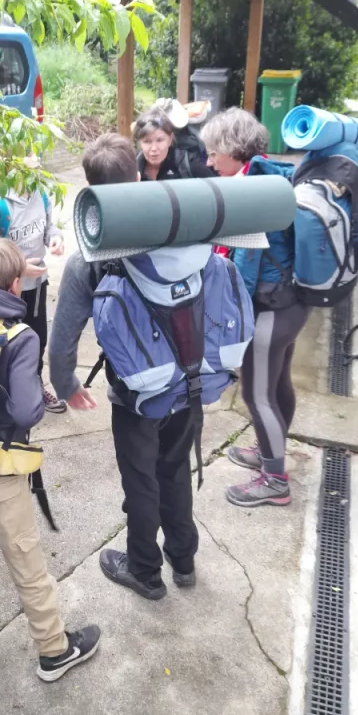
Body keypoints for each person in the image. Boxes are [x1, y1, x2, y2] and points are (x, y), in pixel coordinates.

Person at [0, 237, 101, 681]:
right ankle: (53, 649)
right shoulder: (18, 334)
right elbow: (28, 410)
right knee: (25, 558)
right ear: (15, 285)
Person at [49, 134, 200, 601]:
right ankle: (184, 560)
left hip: (137, 393)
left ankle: (144, 572)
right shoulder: (179, 233)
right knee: (174, 471)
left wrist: (67, 384)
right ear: (137, 177)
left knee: (141, 480)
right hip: (190, 379)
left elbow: (61, 344)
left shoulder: (89, 259)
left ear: (90, 190)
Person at [202, 107, 309, 509]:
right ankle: (271, 450)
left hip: (271, 308)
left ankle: (275, 479)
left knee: (256, 393)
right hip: (293, 302)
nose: (209, 161)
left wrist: (226, 319)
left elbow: (242, 273)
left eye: (214, 152)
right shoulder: (271, 177)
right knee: (278, 384)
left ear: (232, 148)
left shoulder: (252, 190)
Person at [0, 157, 67, 413]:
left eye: (36, 168)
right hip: (4, 294)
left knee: (36, 340)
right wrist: (17, 267)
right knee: (4, 344)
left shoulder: (42, 195)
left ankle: (34, 387)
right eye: (26, 170)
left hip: (36, 287)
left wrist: (56, 238)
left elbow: (49, 228)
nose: (33, 175)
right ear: (8, 171)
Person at [133, 108, 215, 182]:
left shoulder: (190, 166)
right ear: (139, 142)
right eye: (147, 142)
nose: (154, 148)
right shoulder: (129, 167)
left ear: (170, 139)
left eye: (160, 140)